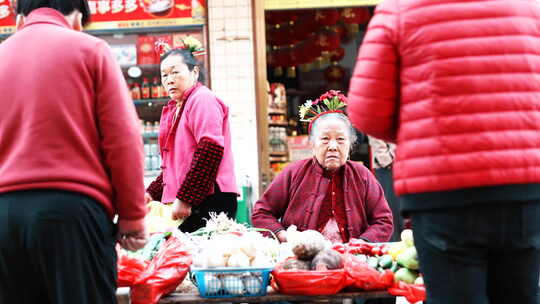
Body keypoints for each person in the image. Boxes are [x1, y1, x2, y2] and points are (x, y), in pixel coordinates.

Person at [348, 1, 540, 304]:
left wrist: (420, 135)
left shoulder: (400, 8)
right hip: (525, 189)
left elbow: (366, 112)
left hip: (442, 194)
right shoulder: (529, 6)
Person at [0, 1, 148, 303]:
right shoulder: (90, 49)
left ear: (19, 19)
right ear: (79, 18)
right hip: (72, 214)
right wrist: (133, 218)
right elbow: (123, 138)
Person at [252, 90, 393, 244]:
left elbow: (383, 221)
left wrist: (363, 242)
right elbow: (262, 213)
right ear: (312, 143)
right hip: (301, 258)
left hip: (353, 259)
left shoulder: (362, 175)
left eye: (340, 139)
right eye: (325, 139)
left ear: (350, 145)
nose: (333, 146)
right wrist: (285, 237)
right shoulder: (293, 172)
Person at [145, 39, 238, 233]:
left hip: (211, 198)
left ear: (194, 72)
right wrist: (151, 194)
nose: (169, 79)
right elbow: (177, 166)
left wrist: (186, 199)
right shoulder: (181, 106)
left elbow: (210, 150)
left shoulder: (202, 99)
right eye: (164, 75)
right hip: (196, 198)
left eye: (175, 72)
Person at [368, 136, 404, 242]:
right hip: (388, 163)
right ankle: (393, 243)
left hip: (406, 161)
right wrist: (385, 158)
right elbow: (373, 129)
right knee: (391, 207)